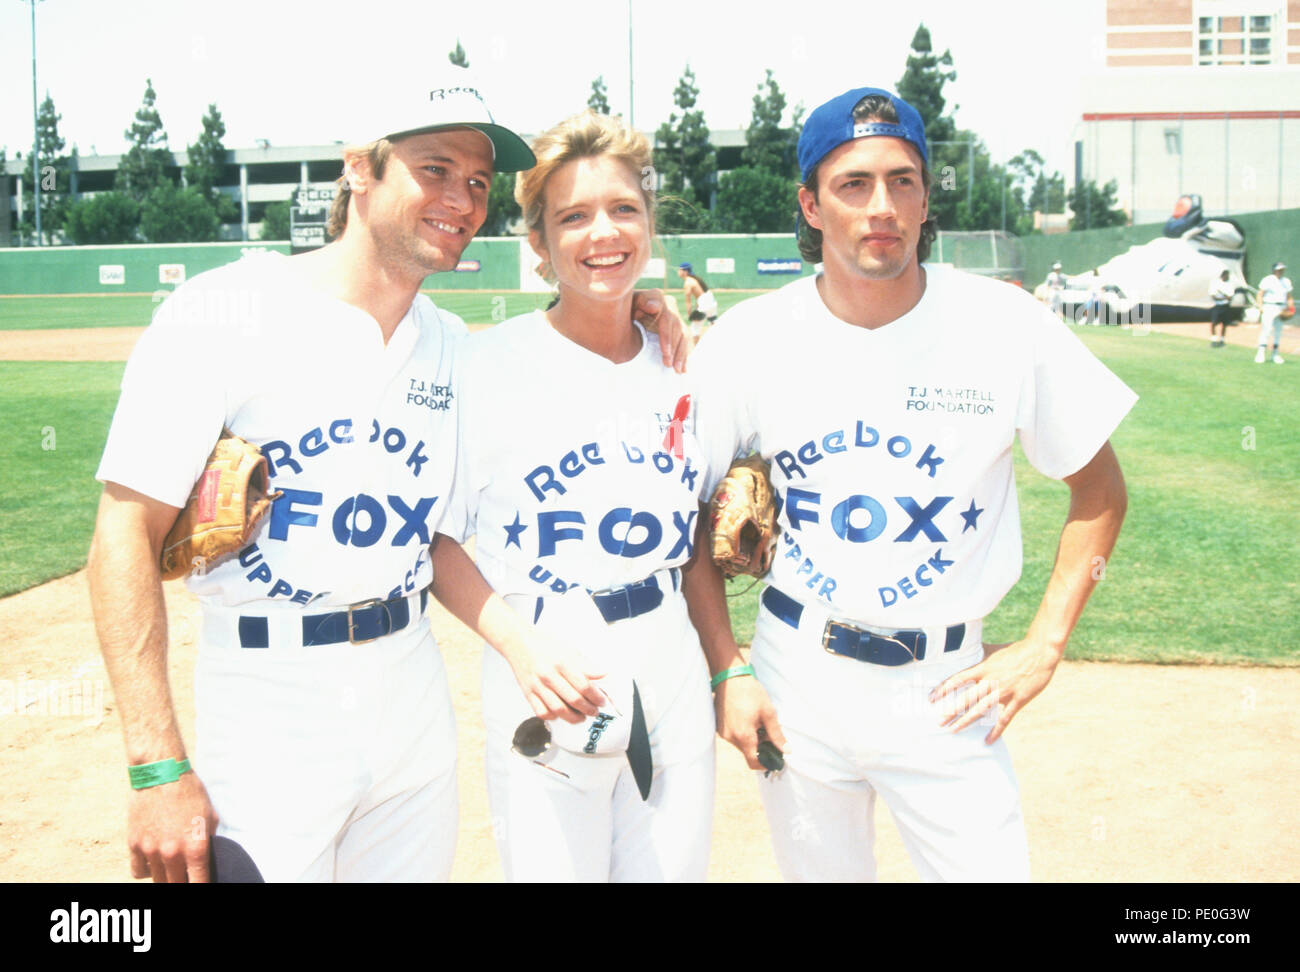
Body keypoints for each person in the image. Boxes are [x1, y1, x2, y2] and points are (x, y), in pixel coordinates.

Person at [86, 84, 687, 884]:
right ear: (358, 171)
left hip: (411, 701)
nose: (460, 199)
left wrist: (638, 309)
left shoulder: (448, 344)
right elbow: (121, 530)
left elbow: (561, 354)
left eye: (477, 182)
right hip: (268, 701)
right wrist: (156, 765)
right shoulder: (223, 313)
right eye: (434, 169)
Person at [689, 86, 1135, 882]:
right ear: (811, 205)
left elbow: (1099, 489)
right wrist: (729, 667)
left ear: (927, 197)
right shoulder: (752, 339)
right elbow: (691, 520)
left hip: (947, 687)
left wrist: (1044, 644)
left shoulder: (1005, 327)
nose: (881, 206)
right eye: (852, 184)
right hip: (798, 673)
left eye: (902, 180)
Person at [428, 111, 716, 882]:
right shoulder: (482, 365)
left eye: (624, 209)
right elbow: (435, 540)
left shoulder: (683, 365)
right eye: (574, 216)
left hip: (669, 657)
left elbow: (695, 534)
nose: (604, 233)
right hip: (545, 665)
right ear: (538, 245)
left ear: (649, 224)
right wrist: (521, 648)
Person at [1255, 261, 1293, 364]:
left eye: (1282, 269)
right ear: (1274, 270)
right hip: (1269, 306)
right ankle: (1261, 353)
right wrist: (1260, 307)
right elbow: (1260, 294)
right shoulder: (1268, 280)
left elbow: (1289, 297)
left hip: (1281, 307)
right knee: (1266, 330)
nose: (1280, 271)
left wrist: (1291, 309)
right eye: (1279, 269)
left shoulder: (1286, 281)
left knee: (1278, 332)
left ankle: (1275, 354)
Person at [677, 262, 719, 336]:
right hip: (710, 300)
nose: (678, 271)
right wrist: (697, 308)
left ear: (685, 272)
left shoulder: (688, 283)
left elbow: (688, 301)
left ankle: (695, 347)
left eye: (680, 270)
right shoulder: (695, 279)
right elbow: (701, 295)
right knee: (713, 323)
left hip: (704, 302)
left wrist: (689, 314)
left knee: (694, 329)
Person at [1209, 269, 1234, 347]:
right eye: (1227, 275)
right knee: (1213, 323)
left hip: (1225, 306)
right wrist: (1224, 298)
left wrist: (1223, 294)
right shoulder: (1215, 283)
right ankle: (1214, 339)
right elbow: (1213, 296)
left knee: (1224, 324)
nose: (1228, 277)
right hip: (1217, 306)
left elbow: (1230, 297)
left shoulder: (1230, 284)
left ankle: (1222, 340)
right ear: (1223, 275)